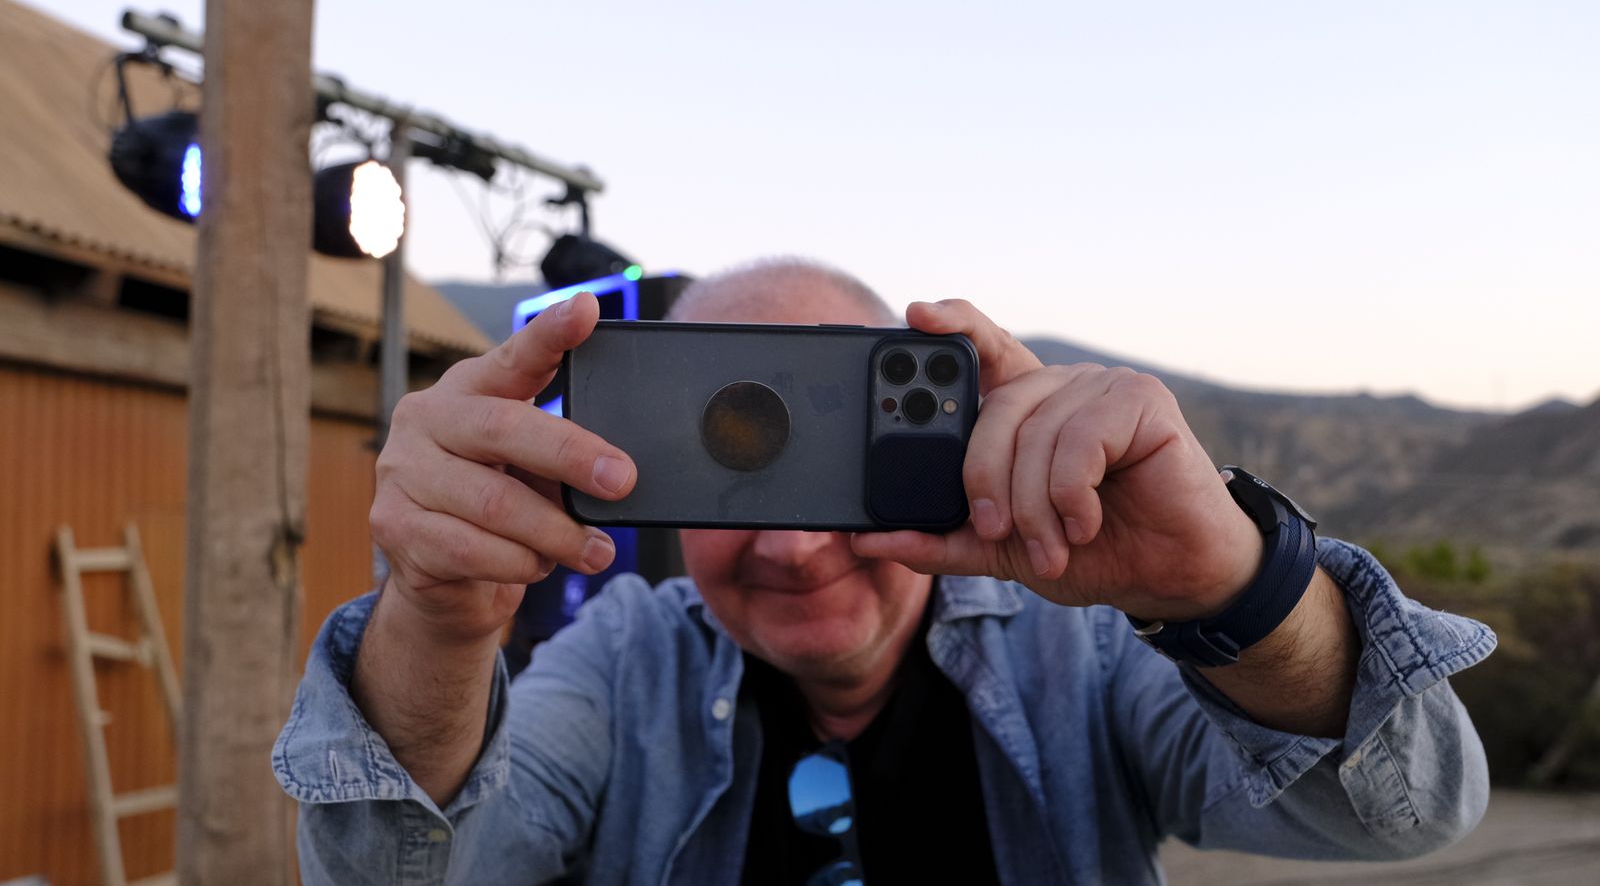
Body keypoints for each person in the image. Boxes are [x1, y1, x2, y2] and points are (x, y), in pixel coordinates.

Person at [274, 258, 1494, 885]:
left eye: (833, 477)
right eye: (732, 481)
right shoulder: (624, 659)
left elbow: (1406, 814)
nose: (795, 545)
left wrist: (1235, 591)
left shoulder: (1076, 645)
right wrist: (434, 624)